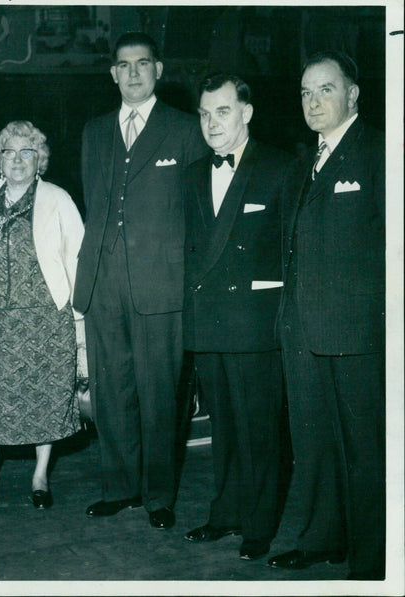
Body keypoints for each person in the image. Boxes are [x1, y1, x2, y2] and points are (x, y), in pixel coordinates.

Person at [73, 32, 208, 528]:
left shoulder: (186, 129)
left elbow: (197, 211)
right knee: (111, 395)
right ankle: (119, 487)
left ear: (158, 70)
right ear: (113, 73)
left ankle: (158, 496)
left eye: (142, 63)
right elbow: (97, 207)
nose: (133, 72)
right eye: (124, 65)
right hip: (102, 284)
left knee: (159, 394)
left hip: (161, 285)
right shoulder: (93, 131)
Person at [268, 51, 385, 580]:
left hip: (358, 333)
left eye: (326, 89)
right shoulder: (302, 164)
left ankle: (373, 561)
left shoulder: (379, 151)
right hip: (301, 331)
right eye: (305, 92)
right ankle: (321, 539)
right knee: (312, 444)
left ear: (353, 94)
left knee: (366, 452)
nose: (313, 102)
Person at [182, 74, 295, 560]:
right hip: (209, 322)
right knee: (223, 427)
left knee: (260, 431)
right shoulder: (190, 174)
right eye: (205, 114)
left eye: (222, 112)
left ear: (246, 113)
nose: (211, 123)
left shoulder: (280, 167)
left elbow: (294, 251)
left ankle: (259, 523)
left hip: (255, 324)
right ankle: (225, 511)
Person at [0, 121, 85, 514]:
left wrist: (78, 318)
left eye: (26, 152)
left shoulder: (57, 198)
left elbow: (77, 257)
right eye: (9, 152)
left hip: (45, 317)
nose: (17, 160)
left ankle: (40, 476)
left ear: (40, 160)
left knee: (45, 398)